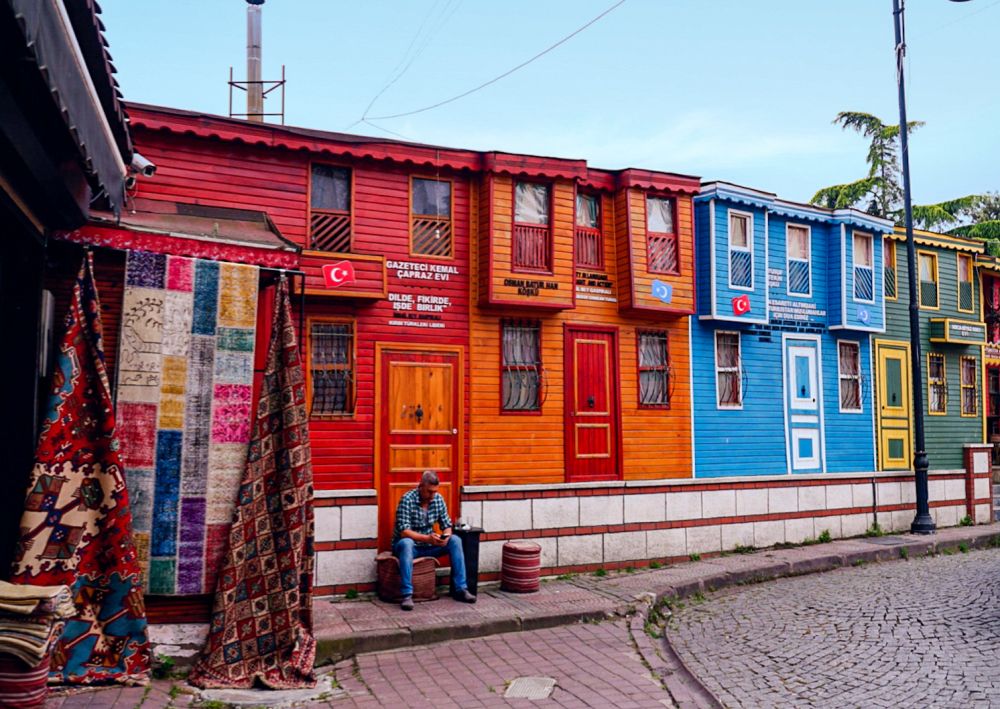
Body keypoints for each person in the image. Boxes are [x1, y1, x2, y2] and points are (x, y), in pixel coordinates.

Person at [392, 470, 476, 611]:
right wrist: (428, 538)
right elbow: (404, 532)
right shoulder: (407, 499)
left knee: (455, 540)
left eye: (435, 491)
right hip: (409, 546)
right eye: (429, 492)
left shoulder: (438, 499)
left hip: (429, 544)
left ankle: (461, 589)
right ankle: (407, 594)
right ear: (420, 486)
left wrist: (445, 536)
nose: (432, 495)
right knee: (406, 543)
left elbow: (447, 525)